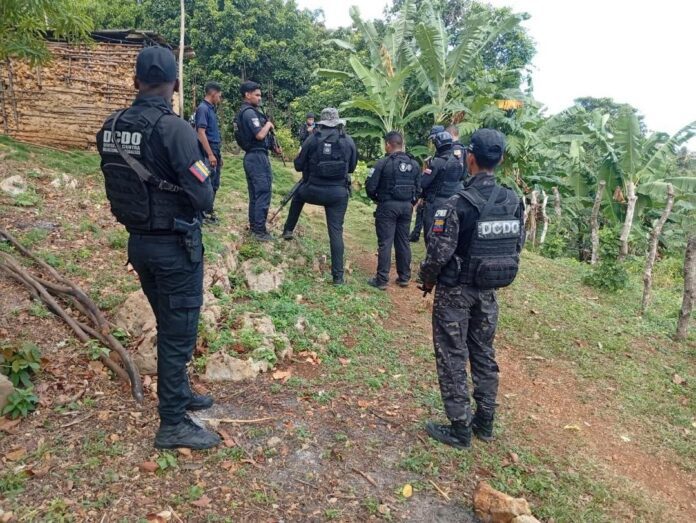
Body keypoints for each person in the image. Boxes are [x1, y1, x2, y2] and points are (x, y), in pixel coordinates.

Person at [96, 46, 220, 450]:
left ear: (136, 81)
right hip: (174, 248)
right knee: (178, 332)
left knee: (170, 323)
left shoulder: (111, 127)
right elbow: (203, 196)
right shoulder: (176, 130)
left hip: (139, 245)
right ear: (175, 85)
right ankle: (173, 423)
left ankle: (180, 394)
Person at [418, 128, 524, 449]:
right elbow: (516, 247)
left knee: (452, 354)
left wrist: (427, 280)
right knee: (483, 352)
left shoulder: (456, 204)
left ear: (471, 158)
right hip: (488, 292)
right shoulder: (513, 201)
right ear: (500, 159)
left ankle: (460, 428)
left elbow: (438, 253)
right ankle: (485, 421)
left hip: (455, 292)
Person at [282, 108, 357, 285]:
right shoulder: (348, 140)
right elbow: (352, 168)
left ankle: (288, 230)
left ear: (321, 123)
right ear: (337, 122)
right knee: (336, 232)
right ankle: (338, 277)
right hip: (338, 194)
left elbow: (298, 166)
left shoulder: (312, 138)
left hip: (313, 190)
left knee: (298, 196)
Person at [365, 131, 421, 290]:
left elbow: (370, 186)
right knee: (403, 241)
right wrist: (411, 203)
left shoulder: (383, 163)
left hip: (387, 206)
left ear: (388, 145)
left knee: (385, 242)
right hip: (406, 207)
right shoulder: (414, 164)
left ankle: (382, 279)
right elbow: (419, 189)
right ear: (401, 145)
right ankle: (404, 277)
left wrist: (378, 199)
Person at [234, 81, 280, 241]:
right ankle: (259, 231)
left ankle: (255, 227)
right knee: (262, 192)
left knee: (255, 194)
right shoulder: (249, 113)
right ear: (247, 95)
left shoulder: (246, 112)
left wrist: (273, 146)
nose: (260, 98)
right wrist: (268, 125)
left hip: (252, 156)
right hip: (257, 157)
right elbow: (259, 135)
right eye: (257, 95)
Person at [421, 130, 467, 245]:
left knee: (433, 233)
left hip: (436, 203)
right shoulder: (459, 161)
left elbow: (423, 183)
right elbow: (463, 176)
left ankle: (433, 253)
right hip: (453, 201)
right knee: (448, 231)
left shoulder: (437, 162)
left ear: (438, 145)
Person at [409, 125, 444, 243]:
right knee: (421, 210)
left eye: (434, 139)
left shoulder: (443, 156)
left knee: (435, 226)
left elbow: (426, 180)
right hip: (431, 194)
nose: (433, 142)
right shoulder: (439, 154)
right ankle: (416, 233)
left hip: (437, 196)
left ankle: (432, 243)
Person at [195, 81, 223, 223]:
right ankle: (201, 214)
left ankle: (208, 210)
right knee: (205, 182)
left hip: (214, 149)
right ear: (213, 93)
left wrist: (217, 155)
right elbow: (201, 133)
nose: (219, 98)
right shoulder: (203, 109)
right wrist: (210, 154)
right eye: (219, 95)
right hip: (207, 151)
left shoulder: (210, 109)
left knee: (214, 183)